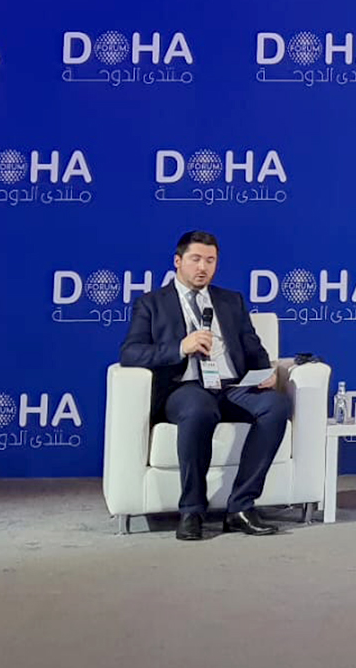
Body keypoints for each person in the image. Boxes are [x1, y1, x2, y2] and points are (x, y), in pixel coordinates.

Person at [118, 230, 290, 541]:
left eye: (210, 261)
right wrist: (179, 347)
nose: (203, 267)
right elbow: (130, 353)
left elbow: (252, 346)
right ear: (177, 261)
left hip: (232, 385)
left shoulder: (231, 300)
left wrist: (266, 372)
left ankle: (241, 506)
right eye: (196, 259)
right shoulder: (151, 303)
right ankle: (192, 510)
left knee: (275, 405)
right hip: (184, 388)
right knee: (199, 409)